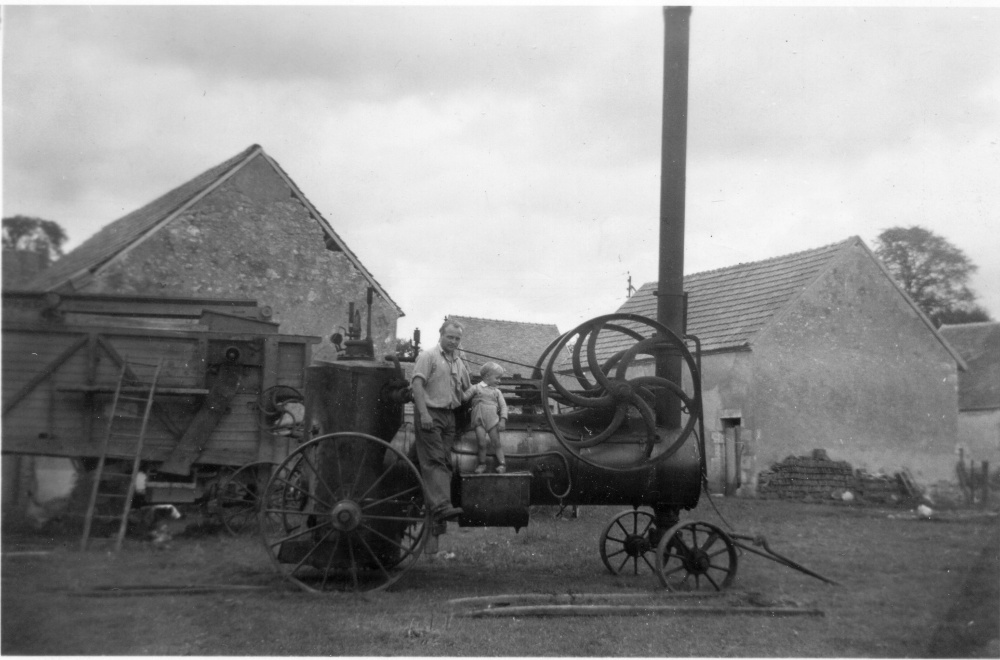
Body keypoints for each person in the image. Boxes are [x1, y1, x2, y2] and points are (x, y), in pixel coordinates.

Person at [411, 319, 471, 523]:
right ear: (441, 335)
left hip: (449, 416)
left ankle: (438, 505)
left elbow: (466, 389)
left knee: (445, 461)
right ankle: (441, 507)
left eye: (457, 338)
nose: (454, 341)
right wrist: (424, 414)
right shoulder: (428, 356)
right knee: (434, 459)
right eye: (450, 337)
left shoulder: (458, 362)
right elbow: (417, 385)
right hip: (430, 413)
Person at [464, 362, 508, 474]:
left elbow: (503, 406)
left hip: (493, 421)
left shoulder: (497, 392)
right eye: (497, 378)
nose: (499, 381)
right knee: (481, 443)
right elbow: (464, 397)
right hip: (478, 421)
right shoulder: (475, 388)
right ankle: (482, 464)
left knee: (496, 443)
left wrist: (503, 420)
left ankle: (502, 464)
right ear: (487, 376)